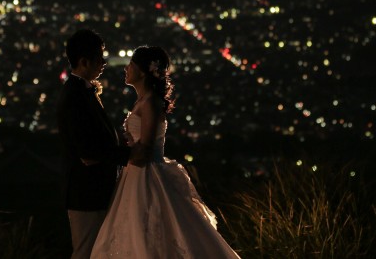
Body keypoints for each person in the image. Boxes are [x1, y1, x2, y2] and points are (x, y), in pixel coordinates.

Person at [91, 46, 241, 258]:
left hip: (145, 174)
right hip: (135, 173)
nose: (126, 69)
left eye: (131, 65)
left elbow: (146, 147)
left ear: (143, 71)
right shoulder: (143, 101)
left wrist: (120, 152)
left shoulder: (150, 102)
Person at [58, 29, 131, 259]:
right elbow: (87, 151)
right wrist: (128, 154)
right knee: (87, 252)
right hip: (86, 193)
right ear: (83, 61)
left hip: (94, 191)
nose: (104, 63)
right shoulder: (75, 96)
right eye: (100, 58)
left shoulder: (82, 92)